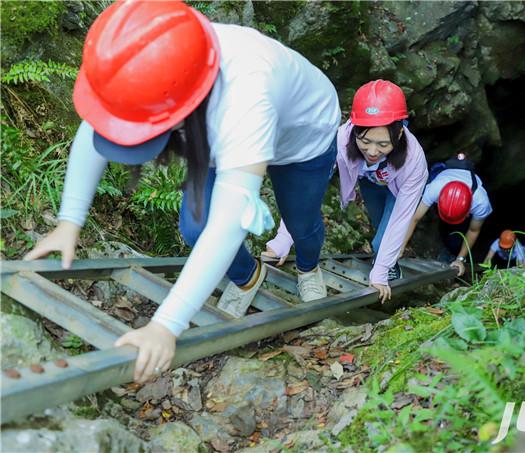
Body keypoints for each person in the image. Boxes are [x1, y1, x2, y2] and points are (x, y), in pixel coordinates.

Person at [23, 0, 341, 383]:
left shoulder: (246, 93)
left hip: (302, 141)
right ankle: (248, 276)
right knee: (194, 230)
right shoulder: (154, 70)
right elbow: (98, 127)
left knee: (301, 223)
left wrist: (166, 325)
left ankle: (308, 266)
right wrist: (68, 222)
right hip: (214, 135)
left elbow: (230, 220)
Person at [263, 80, 428, 303]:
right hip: (370, 182)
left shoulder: (414, 161)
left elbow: (402, 218)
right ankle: (384, 255)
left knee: (382, 244)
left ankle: (388, 263)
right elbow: (308, 189)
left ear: (398, 135)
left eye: (383, 145)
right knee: (379, 225)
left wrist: (380, 272)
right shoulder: (339, 140)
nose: (372, 151)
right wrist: (284, 238)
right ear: (354, 128)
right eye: (365, 140)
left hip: (396, 188)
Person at [401, 159, 492, 276]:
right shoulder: (434, 188)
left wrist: (460, 259)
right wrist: (400, 247)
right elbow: (415, 218)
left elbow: (473, 230)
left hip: (463, 211)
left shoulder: (480, 202)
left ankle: (451, 249)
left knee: (455, 239)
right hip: (443, 180)